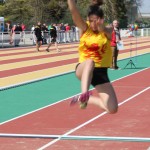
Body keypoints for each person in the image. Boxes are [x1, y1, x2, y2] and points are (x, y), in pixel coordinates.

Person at [68, 0, 118, 114]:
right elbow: (73, 12)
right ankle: (84, 95)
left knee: (112, 109)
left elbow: (108, 31)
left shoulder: (108, 29)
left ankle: (86, 98)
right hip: (84, 68)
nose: (93, 24)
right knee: (90, 62)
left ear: (101, 19)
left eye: (95, 21)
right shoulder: (85, 28)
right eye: (90, 21)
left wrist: (102, 28)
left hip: (100, 73)